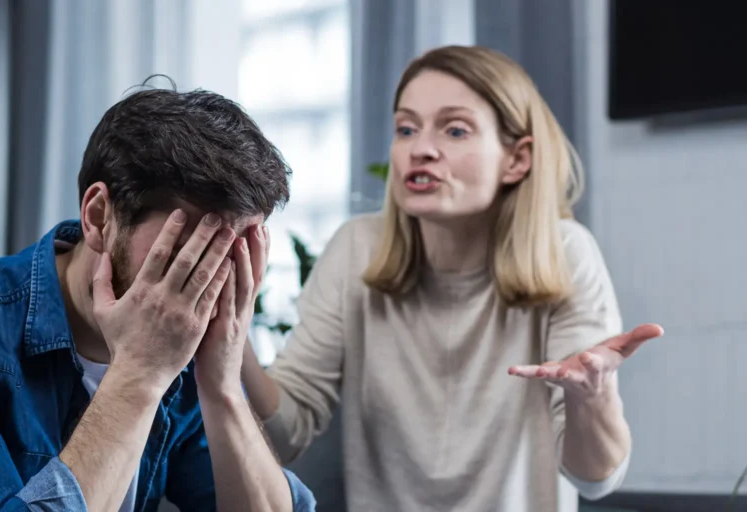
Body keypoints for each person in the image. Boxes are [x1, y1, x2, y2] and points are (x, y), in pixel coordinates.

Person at [0, 84, 317, 512]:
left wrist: (223, 384)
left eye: (236, 250)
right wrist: (141, 374)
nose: (211, 277)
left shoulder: (186, 349)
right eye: (190, 248)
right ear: (100, 215)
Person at [240, 45, 663, 512]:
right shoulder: (356, 249)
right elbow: (283, 434)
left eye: (455, 129)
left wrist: (591, 397)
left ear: (517, 159)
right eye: (406, 128)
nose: (420, 148)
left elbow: (594, 480)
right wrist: (232, 341)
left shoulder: (565, 252)